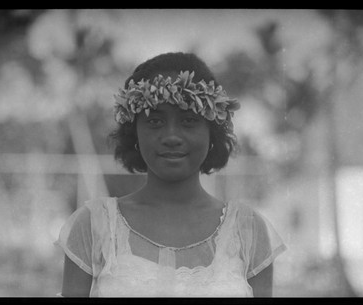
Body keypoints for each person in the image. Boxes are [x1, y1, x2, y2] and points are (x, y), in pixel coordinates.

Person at [56, 52, 286, 297]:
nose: (171, 137)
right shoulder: (95, 226)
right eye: (155, 121)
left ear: (212, 133)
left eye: (188, 120)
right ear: (135, 132)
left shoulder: (247, 231)